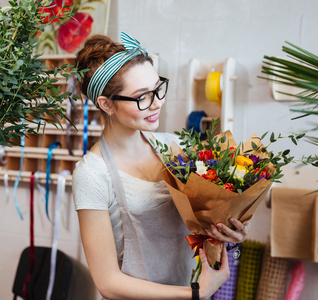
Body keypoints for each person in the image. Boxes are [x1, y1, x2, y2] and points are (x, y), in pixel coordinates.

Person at [72, 32, 250, 300]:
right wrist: (193, 293)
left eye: (158, 88)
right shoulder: (92, 174)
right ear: (107, 104)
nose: (158, 103)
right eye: (142, 97)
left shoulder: (176, 147)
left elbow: (205, 227)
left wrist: (230, 237)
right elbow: (108, 283)